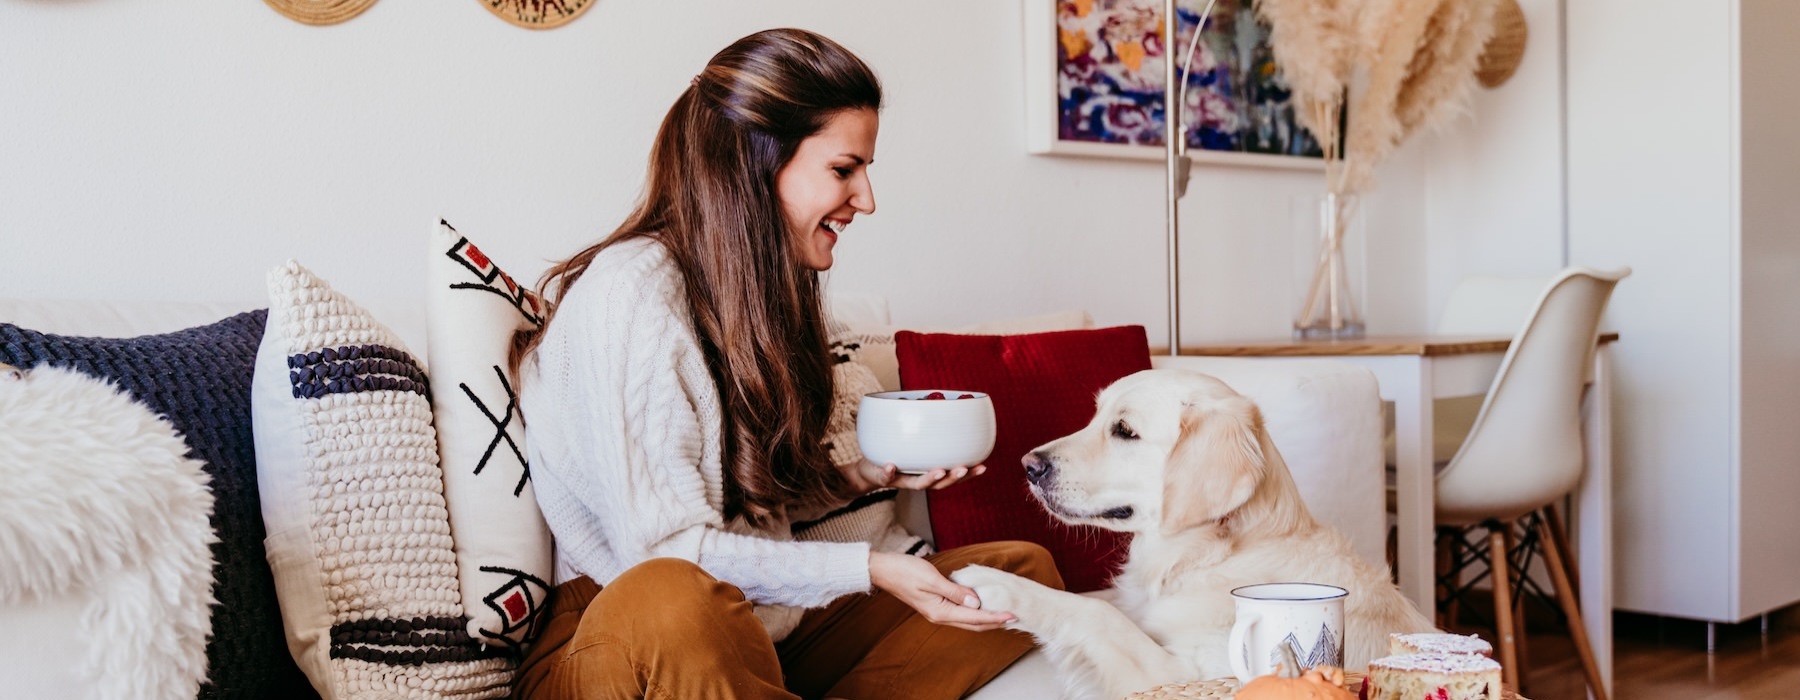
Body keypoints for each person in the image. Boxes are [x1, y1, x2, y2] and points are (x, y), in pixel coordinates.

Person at [508, 28, 1063, 700]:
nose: (867, 199)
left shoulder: (760, 301)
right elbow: (665, 554)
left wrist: (859, 479)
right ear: (754, 161)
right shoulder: (632, 293)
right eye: (843, 169)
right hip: (625, 634)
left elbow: (740, 509)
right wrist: (872, 569)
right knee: (676, 596)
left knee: (1015, 577)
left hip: (760, 630)